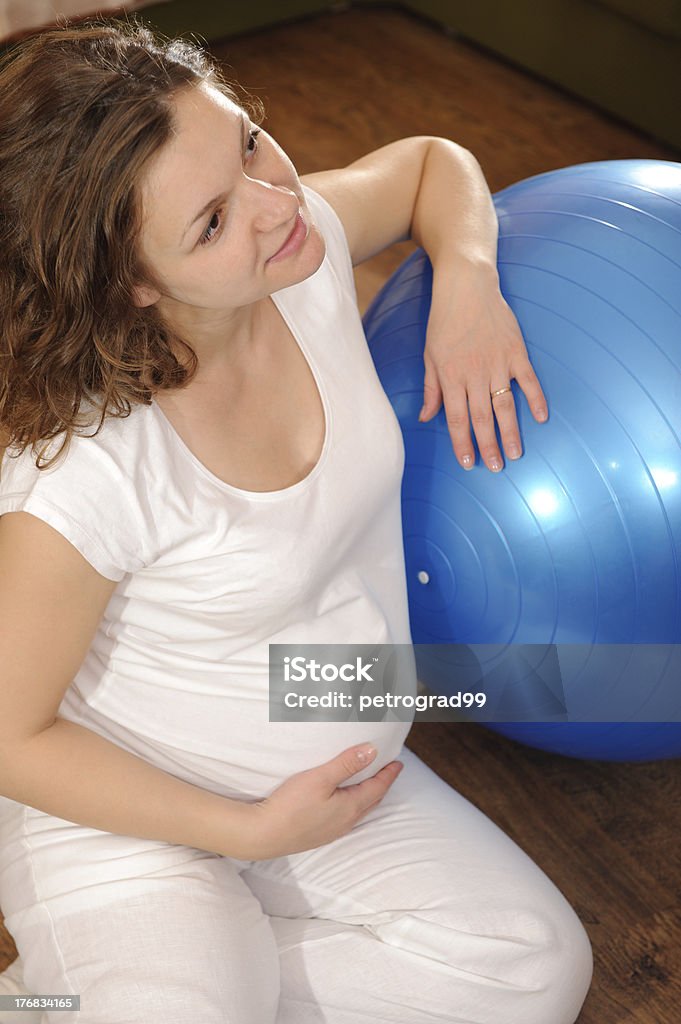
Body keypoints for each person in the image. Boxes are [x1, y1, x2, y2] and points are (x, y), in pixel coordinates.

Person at [0, 18, 592, 1024]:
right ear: (136, 285)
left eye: (248, 141)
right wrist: (238, 830)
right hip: (122, 820)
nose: (278, 202)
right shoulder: (87, 472)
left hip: (324, 773)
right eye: (214, 221)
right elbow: (11, 733)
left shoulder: (295, 255)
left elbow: (427, 167)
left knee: (534, 963)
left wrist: (468, 281)